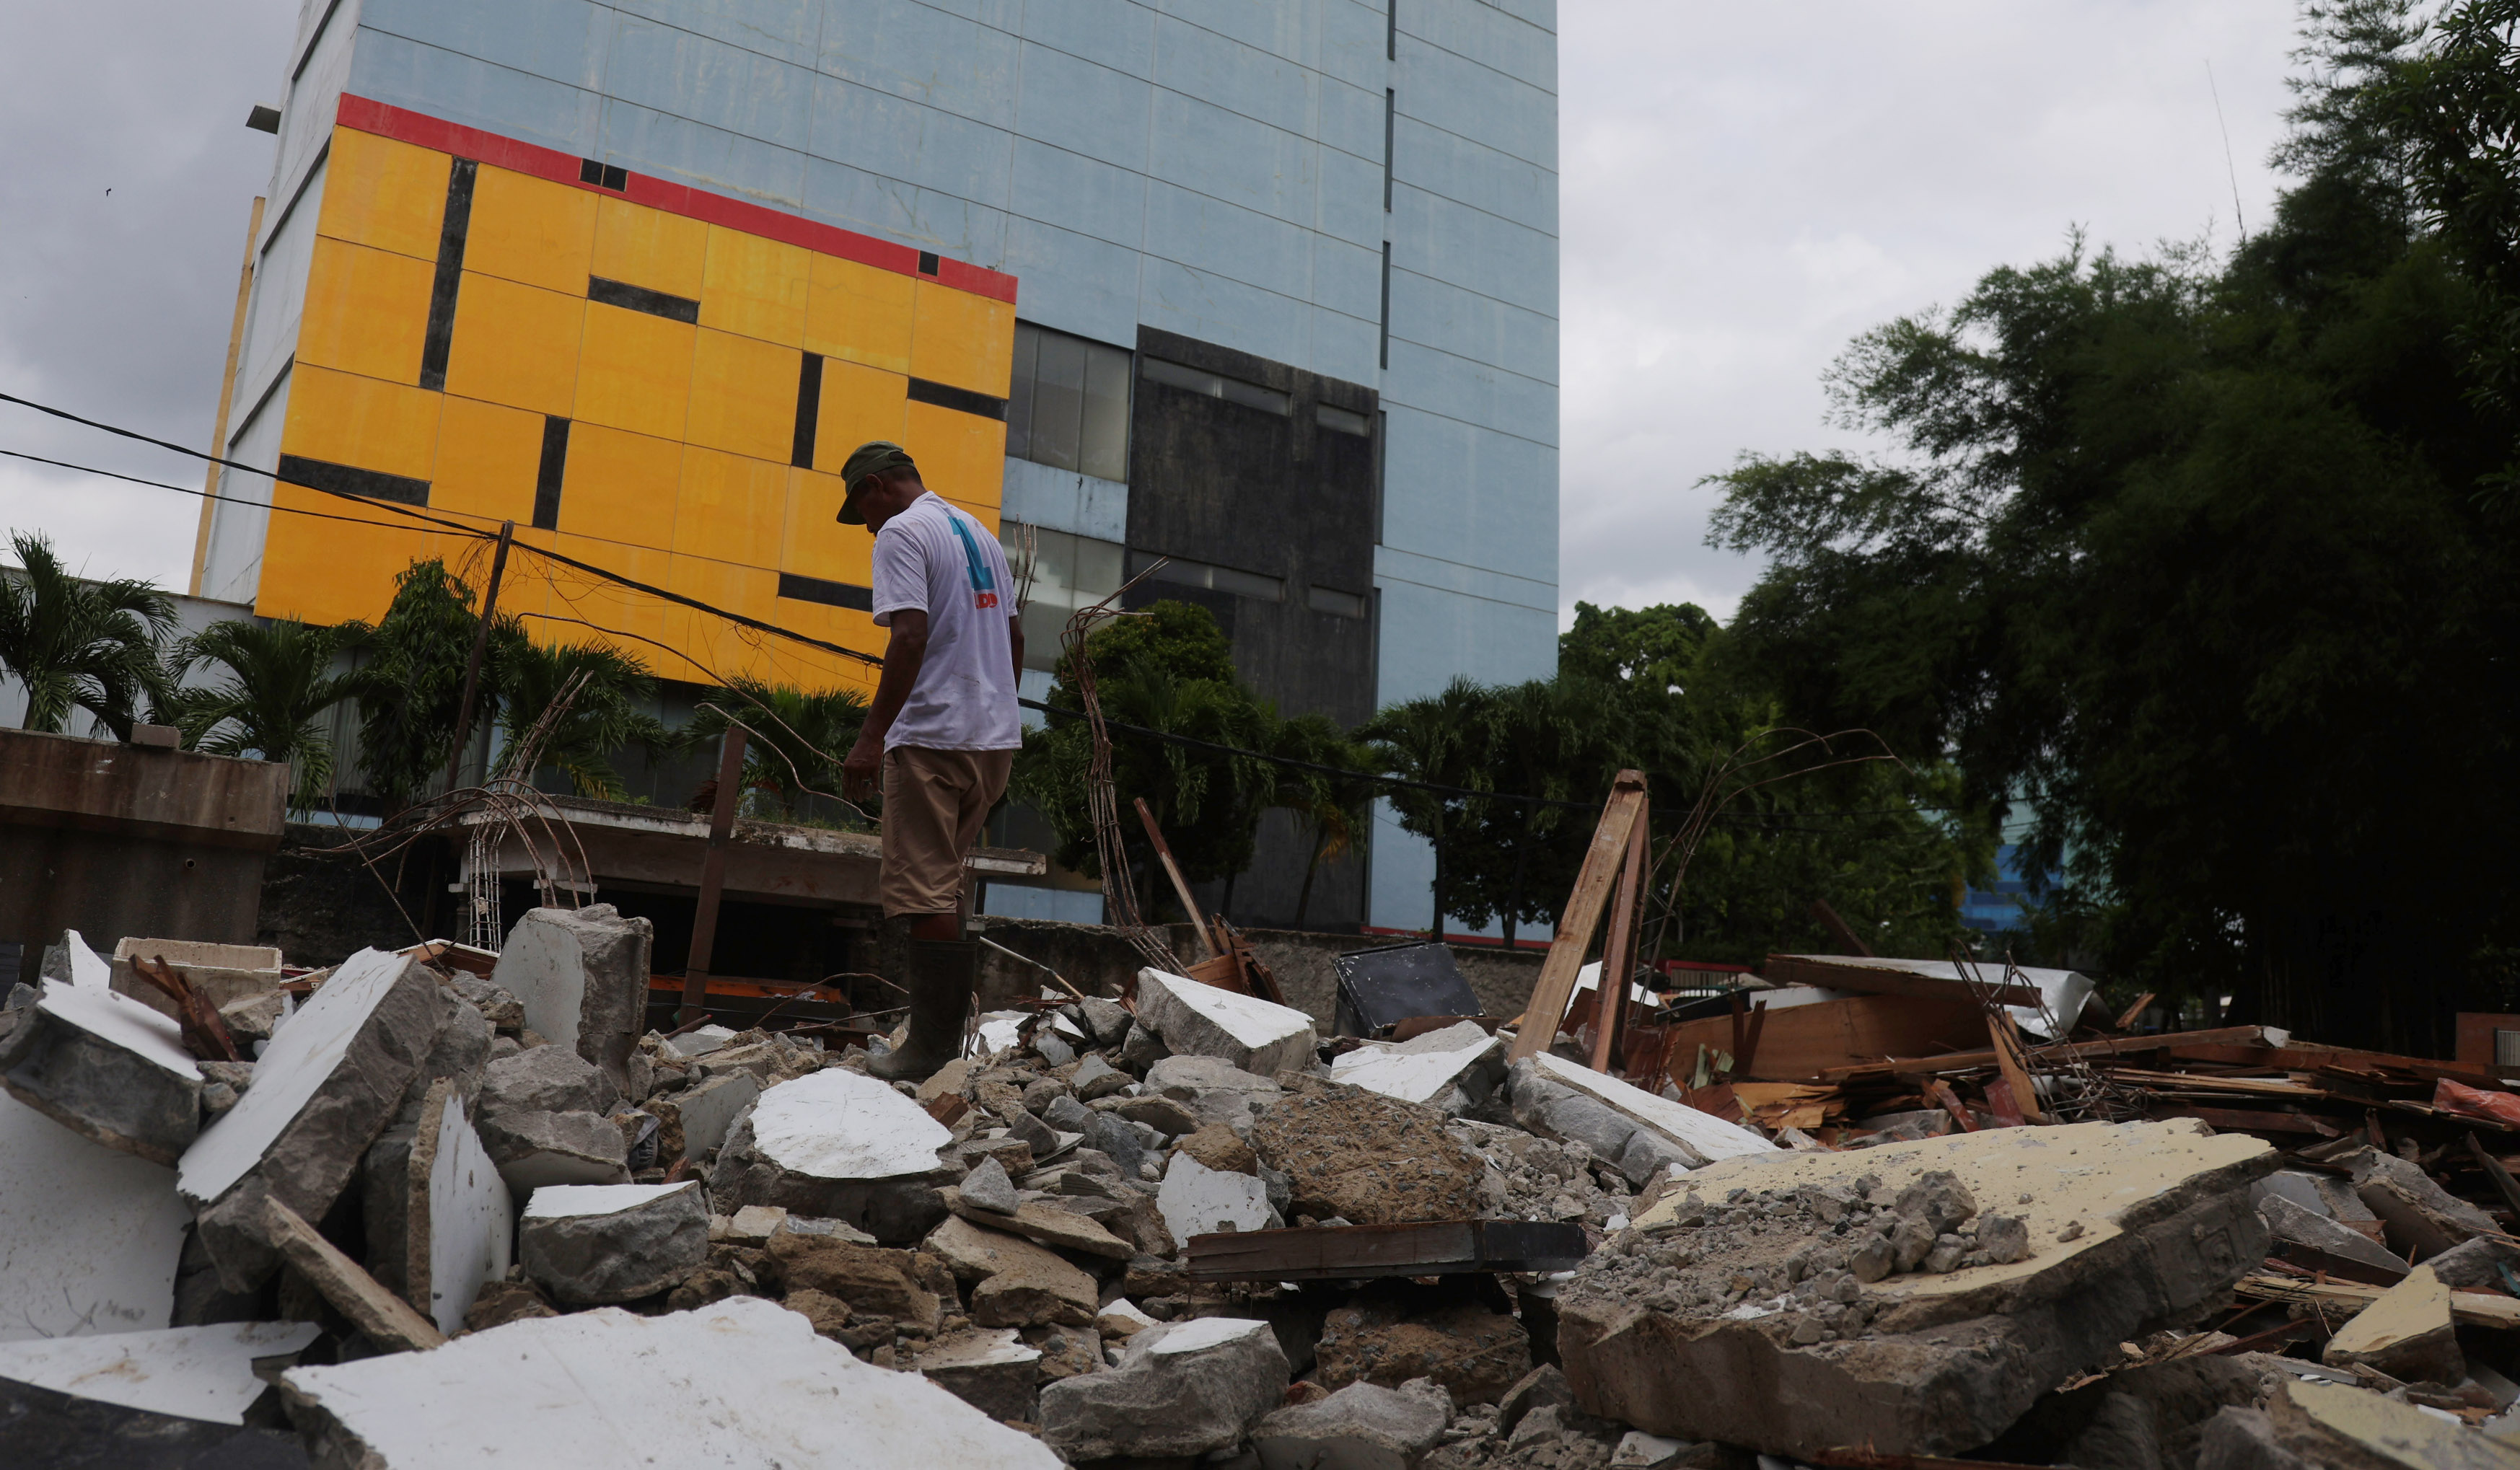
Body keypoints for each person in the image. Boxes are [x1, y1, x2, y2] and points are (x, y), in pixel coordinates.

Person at [833, 441, 1023, 1081]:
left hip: (932, 737)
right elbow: (1015, 638)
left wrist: (868, 739)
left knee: (923, 890)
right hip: (990, 740)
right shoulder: (979, 533)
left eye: (861, 507)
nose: (866, 525)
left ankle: (929, 1051)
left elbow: (908, 635)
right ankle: (943, 1046)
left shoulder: (899, 534)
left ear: (878, 486)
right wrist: (997, 708)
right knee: (945, 883)